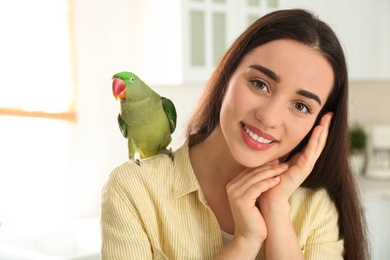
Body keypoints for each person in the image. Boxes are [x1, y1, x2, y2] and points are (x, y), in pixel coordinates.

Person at [101, 9, 369, 259]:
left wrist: (275, 208)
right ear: (227, 75)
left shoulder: (315, 208)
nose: (269, 118)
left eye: (301, 106)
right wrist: (245, 242)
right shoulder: (132, 189)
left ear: (319, 124)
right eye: (260, 84)